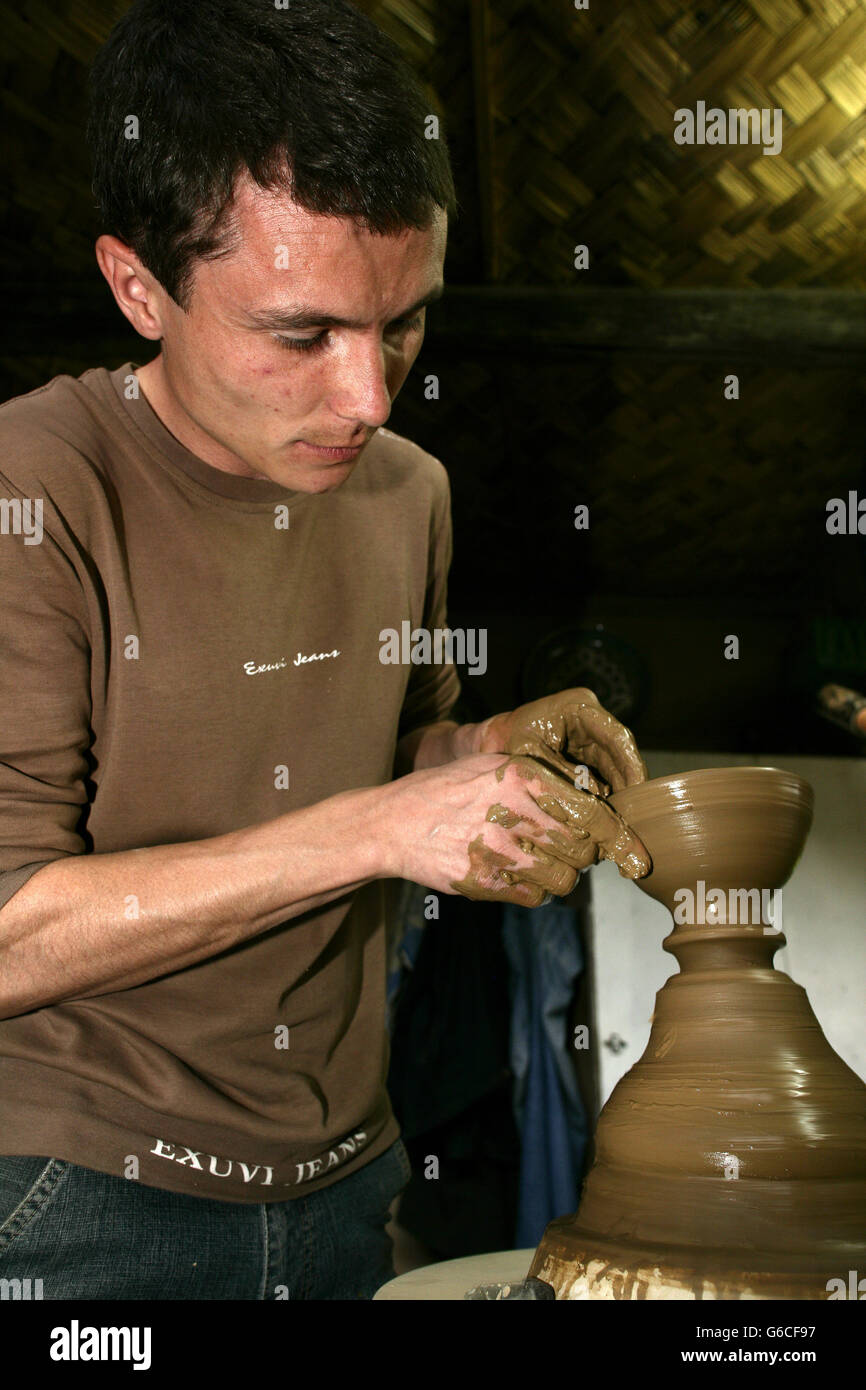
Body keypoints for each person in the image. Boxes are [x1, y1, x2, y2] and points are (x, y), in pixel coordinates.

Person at [0, 0, 649, 1300]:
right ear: (139, 287)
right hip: (79, 1195)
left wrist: (470, 750)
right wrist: (374, 828)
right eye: (301, 336)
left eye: (403, 321)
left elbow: (364, 747)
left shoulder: (408, 490)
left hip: (350, 1177)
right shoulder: (37, 489)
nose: (368, 396)